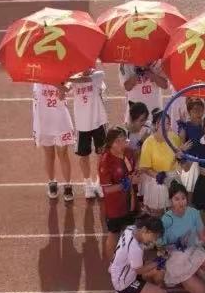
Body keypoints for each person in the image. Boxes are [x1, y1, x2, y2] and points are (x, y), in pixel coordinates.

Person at [110, 215, 177, 293]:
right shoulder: (135, 249)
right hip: (124, 283)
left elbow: (141, 246)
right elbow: (139, 270)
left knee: (159, 270)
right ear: (145, 230)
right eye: (154, 237)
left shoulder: (131, 229)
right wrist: (160, 260)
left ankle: (141, 289)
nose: (153, 240)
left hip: (124, 270)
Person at [159, 182, 205, 293]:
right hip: (176, 258)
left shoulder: (193, 212)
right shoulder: (165, 219)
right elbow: (161, 247)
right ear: (170, 201)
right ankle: (186, 276)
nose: (181, 202)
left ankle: (196, 270)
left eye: (183, 198)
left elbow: (203, 238)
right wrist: (177, 245)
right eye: (177, 199)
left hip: (193, 251)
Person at [68, 67, 108, 199]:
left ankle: (100, 182)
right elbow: (63, 91)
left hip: (98, 121)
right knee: (83, 156)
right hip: (82, 124)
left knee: (101, 154)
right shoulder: (73, 78)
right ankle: (88, 184)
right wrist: (54, 80)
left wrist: (67, 78)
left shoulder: (98, 74)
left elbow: (85, 80)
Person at [98, 127, 137, 257]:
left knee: (130, 232)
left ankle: (128, 259)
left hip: (130, 202)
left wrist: (136, 175)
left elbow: (133, 170)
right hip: (114, 207)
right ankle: (112, 263)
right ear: (110, 143)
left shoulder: (129, 152)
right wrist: (127, 183)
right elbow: (107, 189)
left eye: (123, 140)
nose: (121, 144)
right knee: (114, 234)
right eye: (117, 141)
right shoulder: (105, 161)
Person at [33, 82, 75, 201]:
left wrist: (57, 84)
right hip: (44, 121)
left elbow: (66, 90)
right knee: (49, 154)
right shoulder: (37, 80)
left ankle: (68, 185)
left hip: (60, 122)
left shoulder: (62, 77)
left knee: (63, 154)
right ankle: (52, 182)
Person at [138, 108, 182, 213]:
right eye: (163, 123)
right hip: (157, 182)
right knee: (158, 214)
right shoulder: (148, 143)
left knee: (174, 212)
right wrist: (158, 176)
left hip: (173, 179)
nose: (166, 126)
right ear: (156, 125)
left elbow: (179, 158)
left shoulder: (174, 138)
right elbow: (144, 168)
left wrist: (181, 157)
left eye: (168, 123)